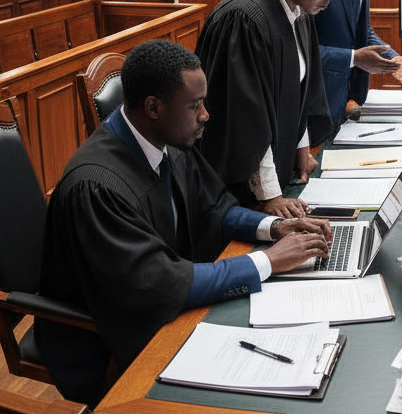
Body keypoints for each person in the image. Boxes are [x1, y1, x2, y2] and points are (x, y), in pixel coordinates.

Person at [36, 40, 332, 406]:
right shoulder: (97, 187)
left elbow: (215, 209)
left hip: (161, 301)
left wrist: (273, 227)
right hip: (99, 337)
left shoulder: (167, 140)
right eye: (195, 105)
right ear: (154, 107)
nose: (205, 114)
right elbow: (159, 284)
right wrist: (269, 261)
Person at [196, 0, 340, 216]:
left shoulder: (299, 7)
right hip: (240, 198)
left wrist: (301, 148)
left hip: (281, 173)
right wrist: (270, 196)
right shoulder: (244, 20)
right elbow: (245, 121)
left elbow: (296, 94)